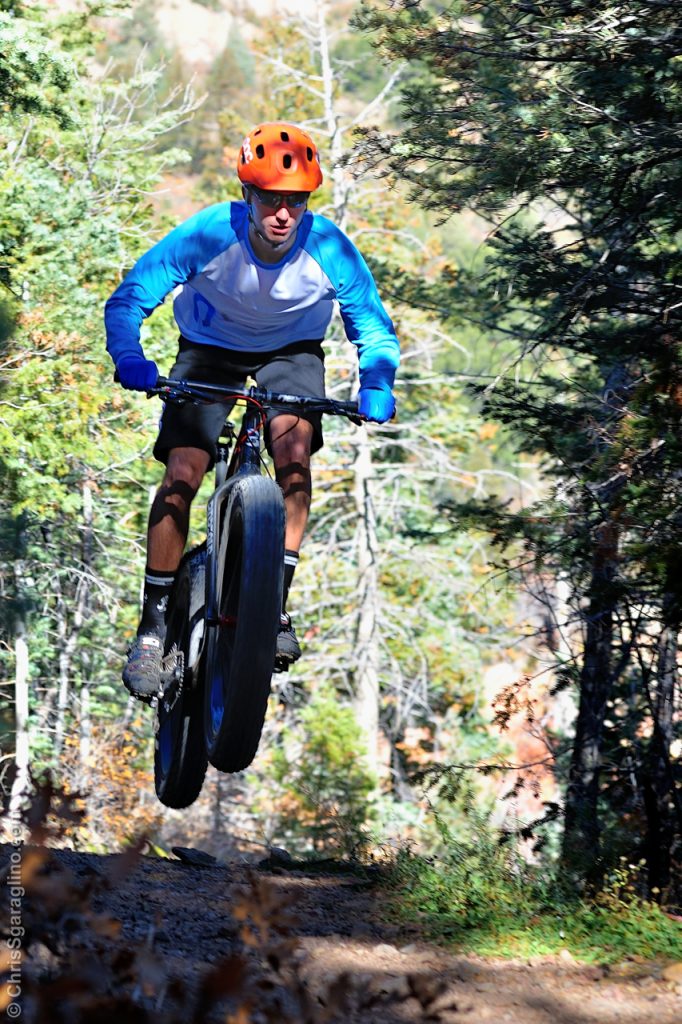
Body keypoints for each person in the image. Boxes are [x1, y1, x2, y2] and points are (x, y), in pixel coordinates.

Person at [105, 122, 400, 701]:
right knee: (183, 472)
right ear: (248, 195)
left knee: (293, 458)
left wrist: (378, 382)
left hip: (290, 353)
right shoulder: (209, 234)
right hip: (209, 350)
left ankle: (273, 606)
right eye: (271, 198)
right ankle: (153, 622)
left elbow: (372, 325)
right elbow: (132, 296)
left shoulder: (330, 248)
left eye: (296, 201)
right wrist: (129, 355)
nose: (283, 213)